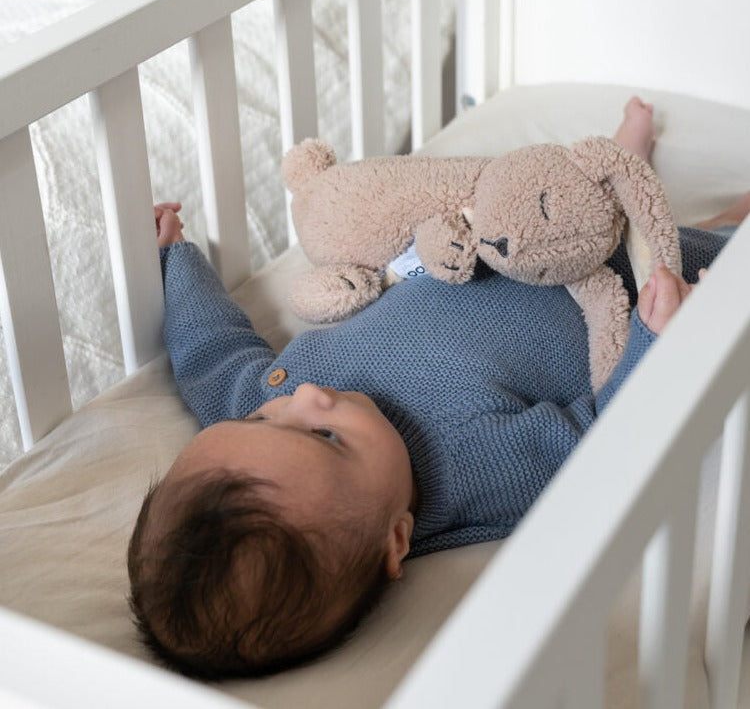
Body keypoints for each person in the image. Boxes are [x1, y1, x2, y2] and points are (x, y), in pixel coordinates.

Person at [127, 98, 743, 679]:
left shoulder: (247, 408)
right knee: (706, 250)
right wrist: (654, 341)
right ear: (396, 538)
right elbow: (601, 442)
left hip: (497, 237)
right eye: (325, 437)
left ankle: (620, 157)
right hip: (623, 290)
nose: (308, 397)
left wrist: (177, 260)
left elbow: (212, 352)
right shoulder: (474, 471)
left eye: (263, 419)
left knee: (558, 191)